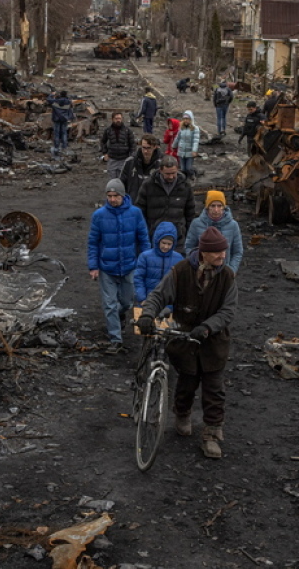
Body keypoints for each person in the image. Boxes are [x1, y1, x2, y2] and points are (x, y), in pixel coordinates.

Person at [137, 226, 237, 459]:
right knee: (186, 383)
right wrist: (147, 314)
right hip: (184, 341)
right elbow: (158, 295)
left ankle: (211, 435)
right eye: (217, 252)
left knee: (214, 390)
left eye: (224, 251)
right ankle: (182, 414)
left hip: (214, 343)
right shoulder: (181, 271)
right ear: (203, 252)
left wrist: (208, 327)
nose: (222, 256)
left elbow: (228, 311)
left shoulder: (227, 276)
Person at [87, 178, 151, 350]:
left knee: (126, 302)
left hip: (129, 266)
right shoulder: (99, 216)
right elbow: (93, 242)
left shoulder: (135, 213)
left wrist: (146, 262)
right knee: (109, 304)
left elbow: (143, 239)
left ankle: (120, 314)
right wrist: (93, 266)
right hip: (107, 267)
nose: (112, 199)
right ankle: (115, 339)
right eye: (109, 195)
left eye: (116, 195)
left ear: (123, 195)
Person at [136, 155, 196, 241]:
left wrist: (188, 235)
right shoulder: (148, 185)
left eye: (173, 173)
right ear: (160, 170)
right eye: (167, 174)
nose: (171, 177)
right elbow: (140, 210)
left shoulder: (185, 186)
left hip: (178, 237)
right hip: (154, 236)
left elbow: (190, 213)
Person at [185, 190, 244, 273]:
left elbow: (237, 252)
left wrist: (231, 270)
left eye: (219, 206)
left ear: (224, 207)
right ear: (207, 207)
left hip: (224, 272)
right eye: (213, 206)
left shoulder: (233, 225)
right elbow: (189, 247)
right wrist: (196, 265)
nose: (216, 209)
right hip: (201, 271)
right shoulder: (196, 224)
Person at [134, 221, 184, 305]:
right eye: (163, 243)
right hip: (148, 302)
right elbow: (138, 278)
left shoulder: (179, 259)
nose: (166, 247)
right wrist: (142, 298)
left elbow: (181, 282)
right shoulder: (145, 257)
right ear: (157, 241)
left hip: (169, 303)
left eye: (169, 244)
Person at [121, 134, 163, 200]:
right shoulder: (130, 162)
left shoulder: (162, 164)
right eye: (144, 147)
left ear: (155, 147)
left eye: (148, 148)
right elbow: (121, 182)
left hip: (153, 204)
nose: (146, 151)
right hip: (133, 202)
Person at [100, 112, 135, 179]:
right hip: (112, 159)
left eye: (119, 118)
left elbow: (132, 145)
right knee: (112, 181)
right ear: (112, 119)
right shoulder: (108, 131)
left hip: (124, 159)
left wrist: (131, 157)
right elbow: (103, 142)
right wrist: (105, 153)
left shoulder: (128, 131)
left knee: (122, 181)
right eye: (116, 118)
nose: (118, 120)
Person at [47, 90, 75, 158]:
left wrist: (52, 95)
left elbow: (48, 100)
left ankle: (56, 147)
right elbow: (71, 107)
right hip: (64, 119)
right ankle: (64, 146)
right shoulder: (68, 102)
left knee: (56, 133)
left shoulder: (56, 101)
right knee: (64, 133)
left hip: (57, 119)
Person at [173, 111, 201, 179]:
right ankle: (184, 179)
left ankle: (192, 174)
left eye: (187, 119)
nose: (186, 120)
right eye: (184, 119)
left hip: (190, 152)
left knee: (188, 168)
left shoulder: (195, 129)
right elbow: (177, 137)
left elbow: (196, 141)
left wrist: (194, 150)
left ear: (191, 119)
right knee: (183, 169)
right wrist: (174, 145)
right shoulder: (181, 128)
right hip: (181, 151)